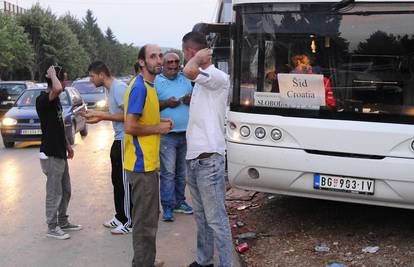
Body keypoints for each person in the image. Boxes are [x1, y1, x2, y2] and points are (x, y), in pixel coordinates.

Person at [182, 31, 234, 267]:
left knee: (216, 219)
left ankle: (226, 264)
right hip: (194, 159)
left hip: (209, 159)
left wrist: (197, 57)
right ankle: (204, 260)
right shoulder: (202, 80)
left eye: (185, 52)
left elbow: (189, 71)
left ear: (192, 52)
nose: (184, 57)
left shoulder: (217, 76)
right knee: (202, 216)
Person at [124, 44, 172, 267]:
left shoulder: (149, 86)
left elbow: (139, 118)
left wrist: (158, 123)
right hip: (141, 165)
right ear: (142, 62)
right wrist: (158, 129)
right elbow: (130, 126)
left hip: (149, 163)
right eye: (153, 57)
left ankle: (146, 261)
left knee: (150, 217)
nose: (159, 60)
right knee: (145, 222)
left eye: (160, 55)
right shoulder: (140, 88)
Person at [81, 61, 132, 235]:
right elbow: (112, 116)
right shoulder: (109, 90)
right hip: (117, 139)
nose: (91, 79)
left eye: (92, 76)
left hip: (126, 140)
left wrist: (100, 114)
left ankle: (129, 222)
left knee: (124, 183)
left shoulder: (119, 88)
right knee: (117, 181)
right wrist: (94, 117)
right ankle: (120, 216)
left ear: (101, 75)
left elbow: (129, 116)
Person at [36, 65, 82, 240]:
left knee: (66, 189)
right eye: (65, 79)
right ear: (55, 80)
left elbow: (59, 125)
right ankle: (52, 226)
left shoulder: (55, 101)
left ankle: (62, 221)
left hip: (60, 150)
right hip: (50, 152)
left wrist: (68, 145)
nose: (66, 82)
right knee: (54, 192)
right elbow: (56, 87)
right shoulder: (43, 100)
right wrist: (53, 74)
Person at [154, 52, 194, 222]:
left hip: (186, 134)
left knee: (181, 172)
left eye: (176, 61)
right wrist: (166, 104)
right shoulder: (156, 82)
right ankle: (168, 206)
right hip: (167, 135)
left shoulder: (185, 79)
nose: (173, 65)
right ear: (162, 64)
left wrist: (189, 99)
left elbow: (196, 99)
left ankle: (180, 202)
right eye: (169, 62)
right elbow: (149, 107)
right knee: (168, 172)